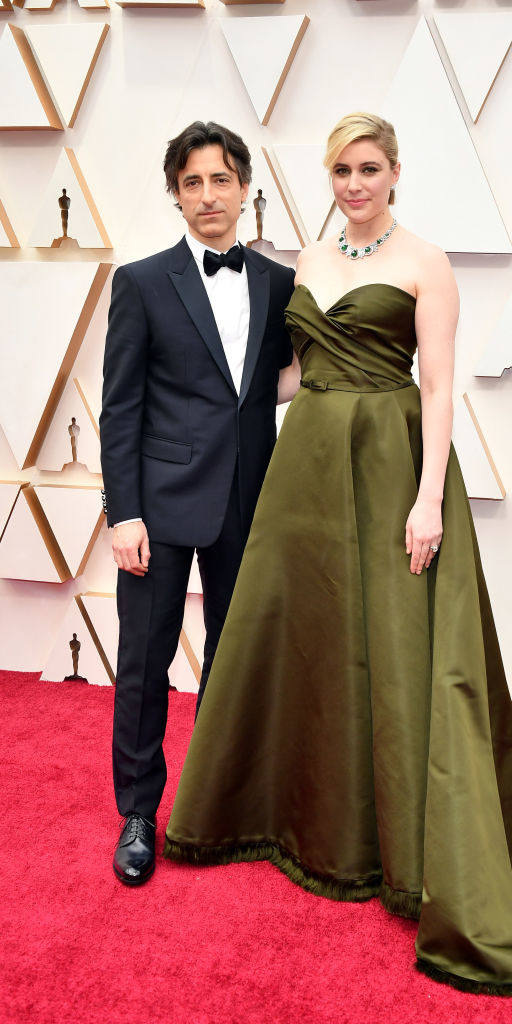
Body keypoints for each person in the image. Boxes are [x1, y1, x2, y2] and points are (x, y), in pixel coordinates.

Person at [164, 113, 512, 995]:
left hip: (390, 461)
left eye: (368, 169)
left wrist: (427, 497)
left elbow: (435, 386)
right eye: (340, 170)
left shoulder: (425, 263)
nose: (354, 184)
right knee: (313, 642)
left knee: (396, 649)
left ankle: (396, 841)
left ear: (395, 172)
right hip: (307, 472)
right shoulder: (307, 262)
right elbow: (296, 372)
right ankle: (293, 819)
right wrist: (208, 398)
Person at [100, 121, 295, 887]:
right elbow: (121, 408)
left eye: (220, 180)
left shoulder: (278, 283)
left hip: (248, 498)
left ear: (244, 189)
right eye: (192, 183)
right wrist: (124, 513)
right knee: (144, 663)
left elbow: (274, 384)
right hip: (158, 504)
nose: (207, 195)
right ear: (175, 195)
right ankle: (138, 812)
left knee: (234, 658)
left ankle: (214, 802)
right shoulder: (142, 282)